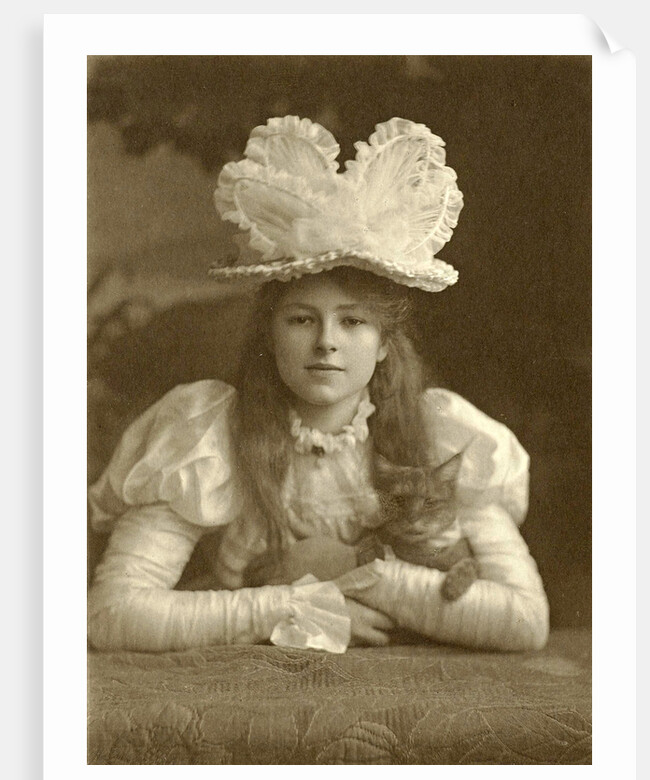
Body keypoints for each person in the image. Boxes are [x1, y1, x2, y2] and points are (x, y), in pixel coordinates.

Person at [87, 115, 549, 654]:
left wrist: (359, 578)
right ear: (271, 336)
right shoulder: (208, 432)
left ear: (382, 344)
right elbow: (113, 614)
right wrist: (300, 607)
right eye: (302, 319)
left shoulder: (440, 432)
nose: (327, 342)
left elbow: (524, 620)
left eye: (353, 322)